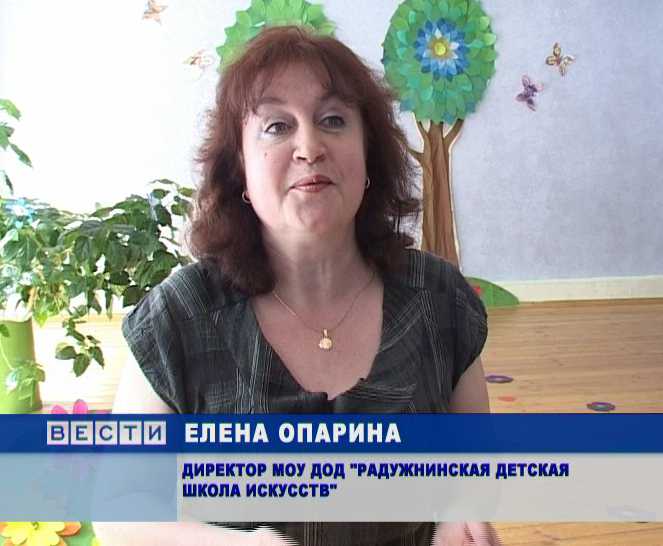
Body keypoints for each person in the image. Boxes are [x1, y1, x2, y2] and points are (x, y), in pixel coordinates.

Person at [95, 25, 499, 546]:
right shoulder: (179, 316)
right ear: (239, 169)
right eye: (276, 126)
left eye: (333, 120)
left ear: (368, 154)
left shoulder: (438, 299)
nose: (310, 146)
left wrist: (464, 513)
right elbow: (119, 515)